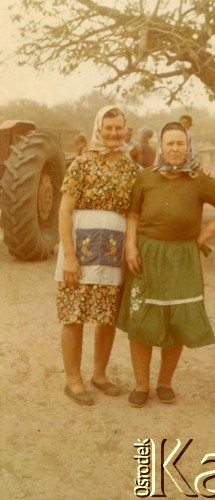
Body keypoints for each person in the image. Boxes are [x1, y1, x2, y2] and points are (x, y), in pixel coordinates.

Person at [117, 122, 215, 407]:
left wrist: (204, 234)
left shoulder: (199, 178)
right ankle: (141, 385)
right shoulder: (145, 177)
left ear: (188, 146)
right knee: (143, 319)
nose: (175, 149)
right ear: (161, 146)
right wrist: (131, 246)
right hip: (147, 255)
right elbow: (133, 215)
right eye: (169, 143)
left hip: (183, 257)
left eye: (180, 144)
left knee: (177, 318)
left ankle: (164, 383)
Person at [55, 105, 140, 405]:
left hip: (114, 251)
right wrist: (69, 255)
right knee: (74, 313)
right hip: (81, 247)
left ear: (125, 130)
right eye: (109, 127)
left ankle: (99, 375)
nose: (114, 133)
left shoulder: (133, 170)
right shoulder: (81, 164)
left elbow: (133, 212)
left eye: (119, 128)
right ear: (98, 128)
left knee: (106, 316)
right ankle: (73, 379)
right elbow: (65, 210)